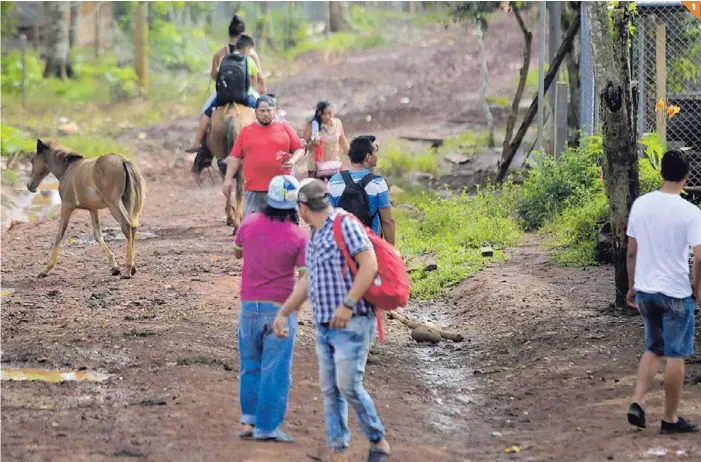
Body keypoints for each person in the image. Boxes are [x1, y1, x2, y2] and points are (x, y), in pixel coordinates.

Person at [272, 179, 392, 462]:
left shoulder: (344, 224)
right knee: (331, 390)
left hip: (353, 323)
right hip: (325, 325)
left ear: (302, 208)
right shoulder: (314, 234)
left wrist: (348, 304)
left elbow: (370, 265)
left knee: (348, 384)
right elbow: (308, 280)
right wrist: (285, 312)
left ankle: (378, 440)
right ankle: (339, 447)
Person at [626, 149, 701, 434]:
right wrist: (696, 288)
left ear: (661, 173)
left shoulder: (641, 205)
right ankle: (670, 418)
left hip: (646, 290)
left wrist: (632, 286)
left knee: (653, 348)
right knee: (676, 354)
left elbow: (632, 251)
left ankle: (637, 400)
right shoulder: (691, 212)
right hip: (675, 292)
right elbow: (700, 257)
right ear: (687, 176)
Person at [233, 175, 307, 443]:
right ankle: (267, 427)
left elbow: (237, 252)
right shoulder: (298, 236)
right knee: (276, 370)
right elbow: (304, 278)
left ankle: (248, 421)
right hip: (280, 311)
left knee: (250, 365)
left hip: (248, 307)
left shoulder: (249, 222)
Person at [186, 15, 267, 153]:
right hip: (245, 93)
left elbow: (214, 75)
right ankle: (269, 141)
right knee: (266, 111)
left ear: (230, 34)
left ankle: (198, 143)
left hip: (224, 94)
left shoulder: (221, 53)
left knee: (205, 113)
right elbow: (258, 77)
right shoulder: (251, 54)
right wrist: (260, 87)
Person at [222, 95, 305, 218]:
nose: (266, 114)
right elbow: (235, 157)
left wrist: (293, 160)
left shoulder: (284, 128)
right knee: (252, 227)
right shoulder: (246, 132)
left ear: (274, 110)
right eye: (262, 111)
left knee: (285, 224)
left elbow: (299, 149)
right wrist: (228, 179)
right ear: (255, 112)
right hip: (254, 189)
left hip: (282, 187)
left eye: (269, 110)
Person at [329, 135, 395, 244]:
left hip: (342, 246)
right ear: (368, 157)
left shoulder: (334, 181)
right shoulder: (378, 183)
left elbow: (328, 218)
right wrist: (391, 251)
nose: (376, 155)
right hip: (370, 245)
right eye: (375, 151)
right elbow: (387, 221)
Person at [303, 100, 350, 181]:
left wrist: (354, 158)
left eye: (329, 113)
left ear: (334, 112)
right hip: (316, 167)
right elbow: (303, 146)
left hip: (334, 165)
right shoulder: (312, 125)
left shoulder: (337, 123)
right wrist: (312, 144)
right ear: (319, 113)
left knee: (338, 190)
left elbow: (343, 143)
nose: (327, 116)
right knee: (316, 191)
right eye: (324, 114)